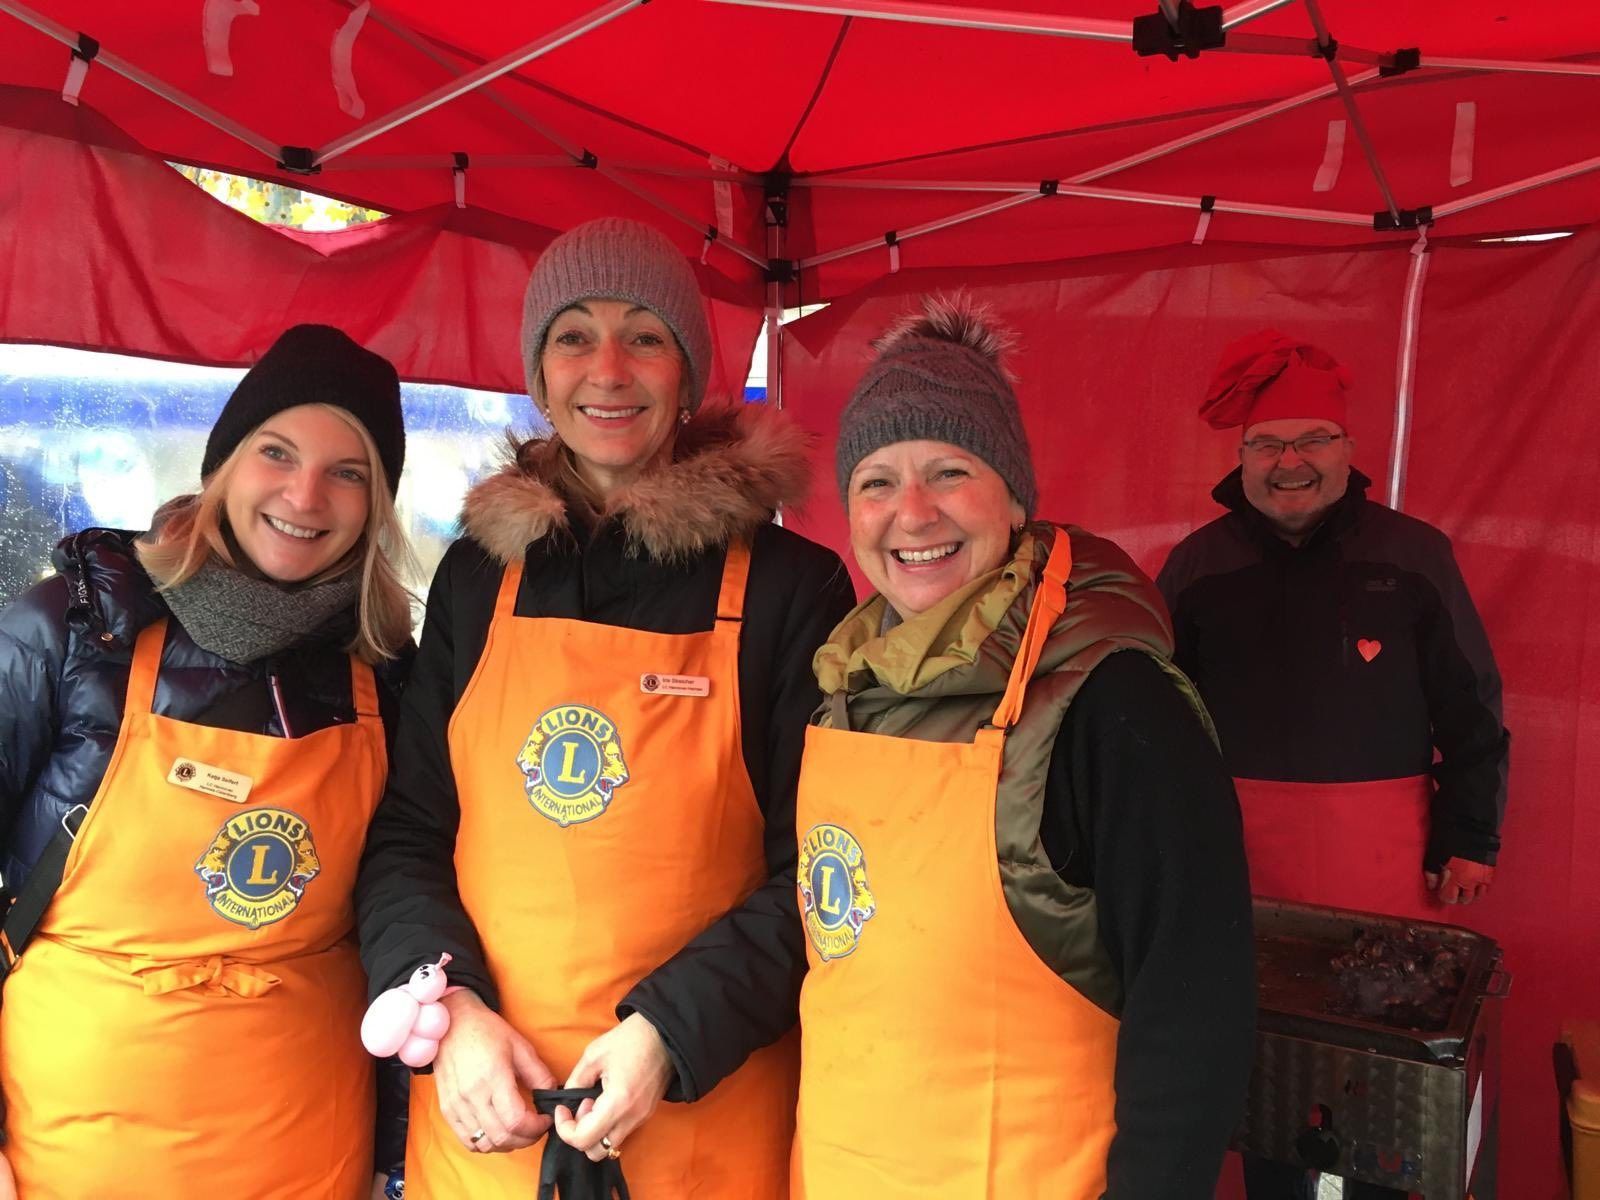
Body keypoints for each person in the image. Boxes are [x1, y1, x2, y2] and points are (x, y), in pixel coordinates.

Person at [355, 217, 856, 1196]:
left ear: (688, 371)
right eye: (574, 336)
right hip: (487, 1112)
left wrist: (670, 1029)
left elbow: (826, 871)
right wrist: (443, 1004)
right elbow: (411, 828)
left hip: (699, 1111)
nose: (609, 369)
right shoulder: (475, 575)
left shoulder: (794, 589)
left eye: (646, 336)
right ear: (540, 372)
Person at [790, 294, 1255, 1199]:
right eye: (876, 481)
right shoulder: (844, 686)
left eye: (950, 471)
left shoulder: (1114, 701)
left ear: (1014, 494)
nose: (912, 514)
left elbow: (1195, 1007)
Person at [0, 324, 415, 1198]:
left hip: (302, 1149)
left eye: (350, 472)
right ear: (224, 463)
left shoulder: (387, 678)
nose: (306, 496)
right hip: (70, 1149)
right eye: (278, 452)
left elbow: (403, 906)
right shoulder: (76, 629)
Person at [1156, 330, 1510, 1199]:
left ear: (1349, 452)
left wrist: (1472, 835)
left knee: (1381, 1090)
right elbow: (1161, 718)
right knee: (1269, 1079)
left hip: (1385, 867)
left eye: (1312, 440)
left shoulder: (1414, 555)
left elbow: (1471, 702)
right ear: (1241, 456)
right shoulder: (1197, 565)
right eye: (1269, 444)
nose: (1290, 462)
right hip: (1244, 870)